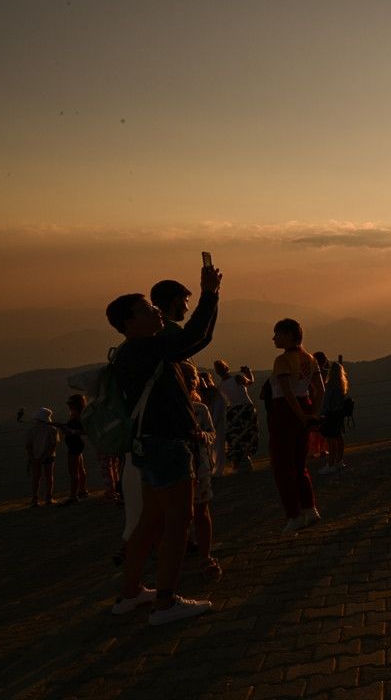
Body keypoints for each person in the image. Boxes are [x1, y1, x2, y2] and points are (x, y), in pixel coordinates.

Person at [106, 262, 219, 625]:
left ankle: (130, 593)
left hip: (148, 446)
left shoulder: (132, 352)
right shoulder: (146, 350)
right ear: (129, 323)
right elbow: (194, 335)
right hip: (167, 445)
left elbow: (196, 339)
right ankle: (166, 602)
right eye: (147, 310)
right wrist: (210, 294)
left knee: (150, 522)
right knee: (177, 520)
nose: (156, 312)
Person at [268, 318, 325, 533]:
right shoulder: (310, 359)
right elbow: (320, 390)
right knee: (300, 464)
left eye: (277, 334)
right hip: (305, 405)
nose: (274, 338)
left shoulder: (281, 361)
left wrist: (301, 415)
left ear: (289, 335)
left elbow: (287, 393)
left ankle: (294, 515)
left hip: (284, 412)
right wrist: (311, 414)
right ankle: (310, 508)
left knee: (282, 466)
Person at [180, 363, 221, 581]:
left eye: (193, 376)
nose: (191, 380)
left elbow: (211, 434)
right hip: (179, 470)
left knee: (201, 512)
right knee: (182, 516)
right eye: (187, 376)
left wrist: (202, 437)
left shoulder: (200, 409)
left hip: (200, 467)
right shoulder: (169, 408)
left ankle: (205, 555)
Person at [214, 360, 260, 472]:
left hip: (232, 411)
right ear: (227, 367)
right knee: (248, 432)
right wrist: (248, 372)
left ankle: (238, 460)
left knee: (236, 436)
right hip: (245, 408)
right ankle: (245, 458)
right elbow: (250, 382)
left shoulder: (220, 385)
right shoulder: (238, 378)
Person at [319, 360, 350, 474]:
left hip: (331, 414)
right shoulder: (343, 384)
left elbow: (326, 401)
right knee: (339, 437)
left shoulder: (330, 384)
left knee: (331, 439)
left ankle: (331, 463)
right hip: (340, 414)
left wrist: (322, 413)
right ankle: (339, 461)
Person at [25, 408, 60, 507]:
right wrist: (45, 456)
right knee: (49, 476)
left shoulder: (32, 429)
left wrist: (31, 457)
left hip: (35, 456)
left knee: (36, 477)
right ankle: (49, 497)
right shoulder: (52, 429)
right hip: (49, 456)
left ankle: (35, 498)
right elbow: (53, 445)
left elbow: (28, 445)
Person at [197, 371, 227, 477]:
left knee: (218, 447)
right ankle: (213, 469)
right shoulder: (201, 393)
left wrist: (213, 422)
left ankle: (218, 470)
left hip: (215, 423)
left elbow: (220, 407)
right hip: (208, 424)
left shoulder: (215, 392)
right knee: (212, 448)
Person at [60, 395, 89, 504]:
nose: (68, 405)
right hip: (76, 444)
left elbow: (85, 430)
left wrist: (71, 431)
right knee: (80, 469)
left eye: (70, 403)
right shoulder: (75, 414)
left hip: (75, 444)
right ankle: (82, 490)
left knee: (73, 471)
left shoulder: (80, 415)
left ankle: (73, 495)